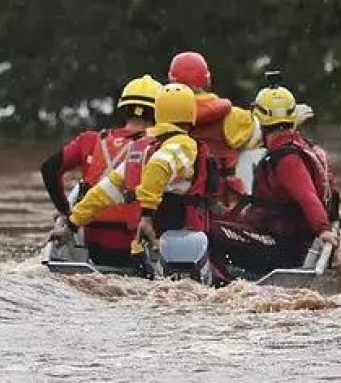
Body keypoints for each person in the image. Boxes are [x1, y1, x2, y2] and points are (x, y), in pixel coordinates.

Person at [48, 83, 213, 251]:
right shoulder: (184, 145)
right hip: (170, 244)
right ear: (192, 113)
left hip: (136, 249)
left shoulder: (143, 151)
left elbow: (102, 192)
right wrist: (147, 216)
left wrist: (71, 225)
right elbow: (159, 165)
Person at [208, 82, 341, 280]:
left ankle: (222, 286)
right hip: (285, 238)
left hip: (282, 247)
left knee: (207, 230)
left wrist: (323, 230)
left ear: (260, 122)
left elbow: (307, 196)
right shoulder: (302, 146)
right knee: (217, 219)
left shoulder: (286, 159)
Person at [39, 75, 160, 268]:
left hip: (92, 241)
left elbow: (49, 169)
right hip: (136, 244)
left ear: (125, 108)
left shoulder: (90, 140)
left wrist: (65, 211)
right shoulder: (160, 146)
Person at [166, 51, 260, 208]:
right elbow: (264, 136)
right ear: (207, 79)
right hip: (224, 208)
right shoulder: (234, 117)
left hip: (181, 211)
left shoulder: (166, 120)